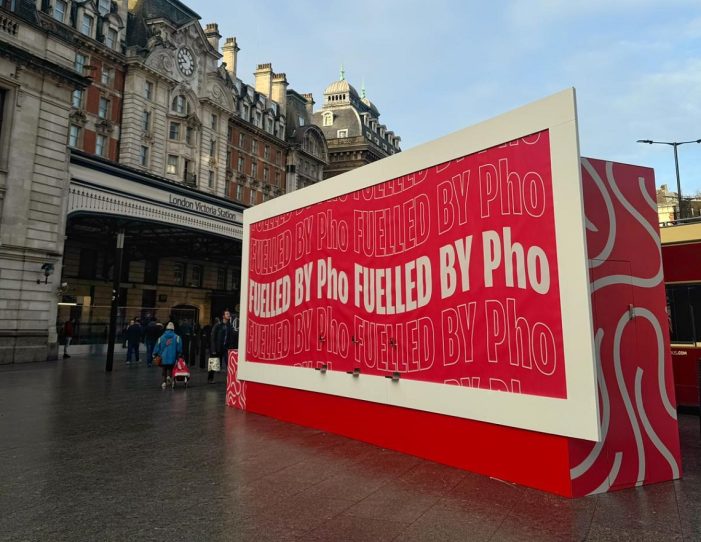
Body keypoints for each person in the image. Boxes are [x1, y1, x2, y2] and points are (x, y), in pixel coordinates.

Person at [208, 310, 236, 383]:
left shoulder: (229, 326)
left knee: (229, 363)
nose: (229, 315)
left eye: (229, 314)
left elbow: (231, 338)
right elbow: (213, 337)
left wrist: (231, 348)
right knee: (214, 363)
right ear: (223, 316)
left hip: (226, 348)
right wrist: (213, 349)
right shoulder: (218, 325)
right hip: (217, 348)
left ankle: (231, 379)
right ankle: (210, 378)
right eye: (227, 314)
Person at [152, 322, 182, 389]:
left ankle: (164, 382)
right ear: (173, 329)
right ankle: (170, 377)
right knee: (172, 367)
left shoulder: (161, 338)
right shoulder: (177, 337)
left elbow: (157, 347)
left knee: (164, 368)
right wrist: (179, 354)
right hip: (173, 357)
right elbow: (179, 349)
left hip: (163, 357)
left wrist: (154, 354)